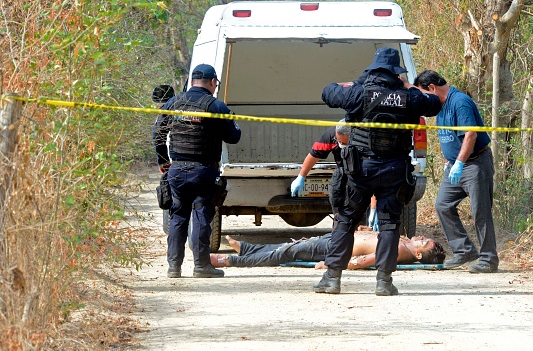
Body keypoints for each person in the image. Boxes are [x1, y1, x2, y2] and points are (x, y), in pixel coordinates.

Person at [317, 47, 442, 296]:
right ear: (397, 73)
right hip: (394, 170)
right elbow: (434, 103)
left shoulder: (358, 93)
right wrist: (407, 85)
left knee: (345, 220)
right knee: (389, 225)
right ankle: (384, 282)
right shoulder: (409, 97)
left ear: (373, 70)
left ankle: (332, 278)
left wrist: (358, 81)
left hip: (360, 169)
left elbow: (327, 92)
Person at [153, 64, 241, 278]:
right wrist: (229, 120)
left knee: (178, 217)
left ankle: (174, 267)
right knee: (201, 216)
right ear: (212, 82)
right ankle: (201, 266)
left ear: (192, 81)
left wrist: (164, 161)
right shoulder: (215, 106)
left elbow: (157, 133)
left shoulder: (173, 103)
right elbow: (234, 137)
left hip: (177, 169)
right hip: (203, 171)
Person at [414, 70, 498, 274]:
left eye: (424, 94)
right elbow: (447, 138)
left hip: (474, 163)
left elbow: (470, 135)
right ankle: (464, 251)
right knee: (443, 205)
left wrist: (459, 163)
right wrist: (448, 162)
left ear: (432, 88)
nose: (424, 99)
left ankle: (488, 258)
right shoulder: (439, 106)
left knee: (480, 211)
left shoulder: (460, 102)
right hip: (453, 165)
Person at [210, 229, 445, 268]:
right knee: (293, 246)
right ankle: (248, 249)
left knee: (287, 253)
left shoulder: (396, 252)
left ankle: (231, 261)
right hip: (340, 237)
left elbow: (363, 261)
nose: (422, 237)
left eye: (425, 243)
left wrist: (331, 264)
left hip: (337, 248)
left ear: (418, 254)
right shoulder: (403, 242)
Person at [290, 121, 350, 201]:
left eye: (343, 142)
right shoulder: (331, 135)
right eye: (338, 141)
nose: (340, 144)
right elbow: (314, 155)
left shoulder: (363, 139)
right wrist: (301, 177)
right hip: (343, 170)